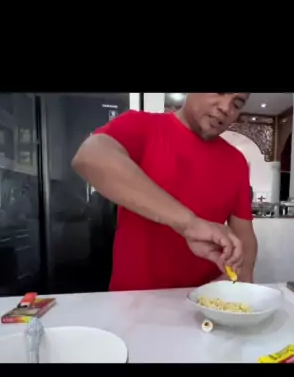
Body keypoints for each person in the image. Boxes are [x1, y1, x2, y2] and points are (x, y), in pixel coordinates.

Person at [71, 93, 258, 291]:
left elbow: (244, 234)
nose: (226, 108)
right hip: (134, 299)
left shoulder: (236, 161)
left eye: (237, 103)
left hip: (205, 299)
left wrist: (241, 272)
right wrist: (189, 224)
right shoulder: (141, 125)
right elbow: (89, 157)